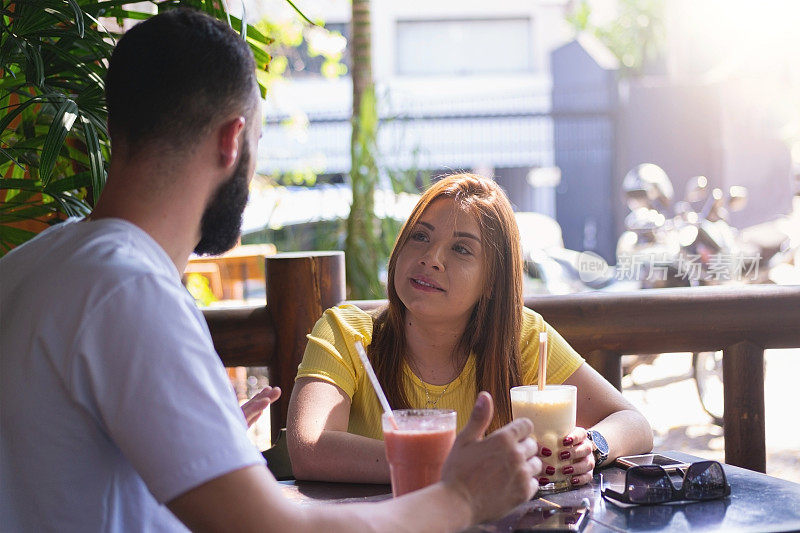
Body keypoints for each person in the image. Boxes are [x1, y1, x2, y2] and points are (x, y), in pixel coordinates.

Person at [0, 9, 541, 532]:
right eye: (259, 144)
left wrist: (203, 443)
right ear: (232, 140)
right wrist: (461, 498)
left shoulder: (29, 264)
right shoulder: (129, 290)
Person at [288, 174, 654, 484]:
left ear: (492, 281)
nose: (431, 258)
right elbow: (310, 448)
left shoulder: (520, 336)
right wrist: (454, 465)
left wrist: (592, 445)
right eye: (420, 236)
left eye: (461, 249)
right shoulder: (346, 332)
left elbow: (634, 423)